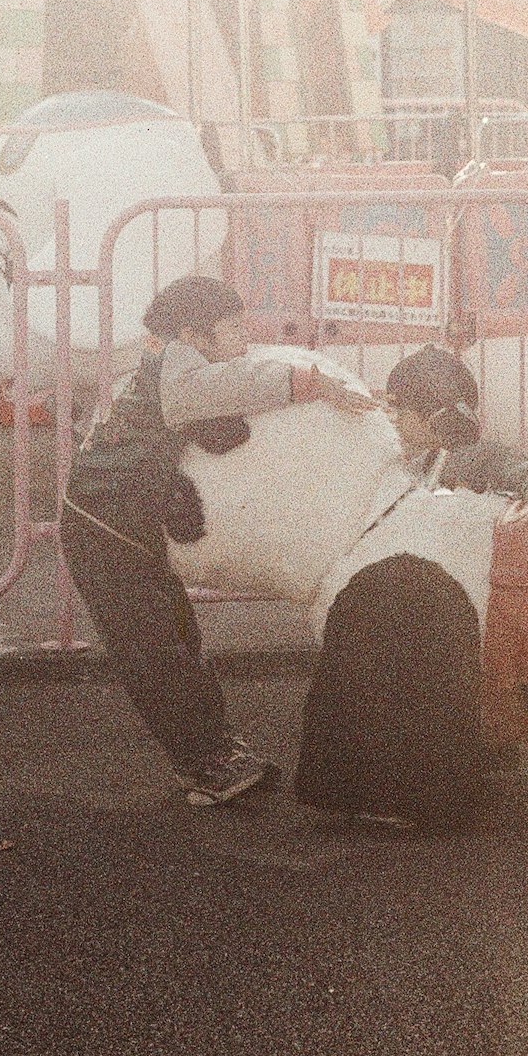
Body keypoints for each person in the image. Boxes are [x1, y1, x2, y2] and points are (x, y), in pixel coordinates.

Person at [60, 274, 372, 806]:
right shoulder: (175, 368)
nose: (243, 341)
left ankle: (217, 750)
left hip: (116, 524)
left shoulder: (160, 363)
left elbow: (212, 418)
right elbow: (217, 391)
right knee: (156, 653)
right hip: (103, 528)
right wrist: (311, 382)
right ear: (195, 334)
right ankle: (202, 767)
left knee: (178, 638)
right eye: (231, 330)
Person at [383, 344, 528, 503]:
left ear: (431, 413)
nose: (396, 421)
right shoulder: (420, 464)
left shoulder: (482, 456)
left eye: (401, 412)